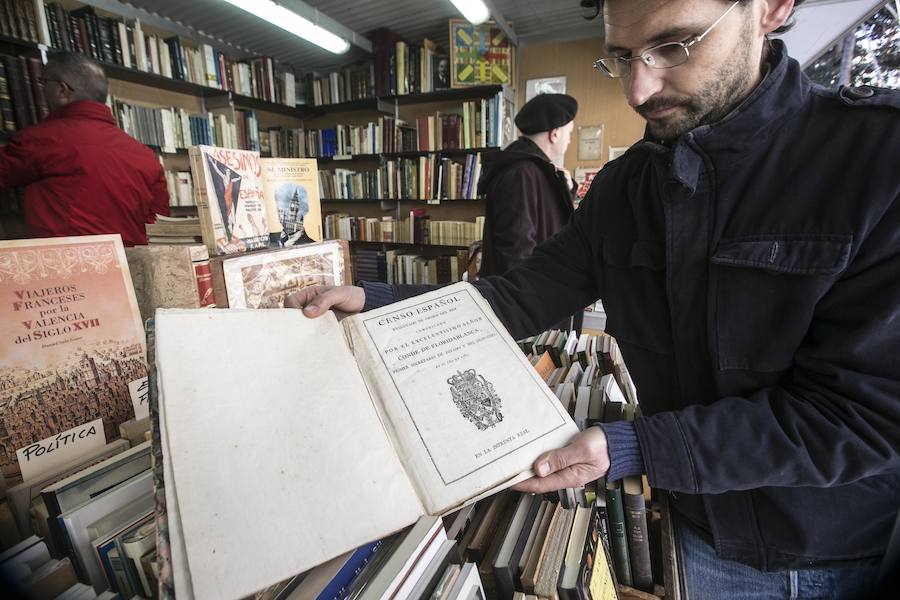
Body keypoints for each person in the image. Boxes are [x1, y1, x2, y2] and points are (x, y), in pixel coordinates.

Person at [286, 0, 900, 597]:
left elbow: (863, 417)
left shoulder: (875, 162)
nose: (638, 89)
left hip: (816, 549)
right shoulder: (627, 185)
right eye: (622, 57)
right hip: (689, 520)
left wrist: (635, 446)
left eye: (674, 45)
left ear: (769, 8)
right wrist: (377, 298)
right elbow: (522, 295)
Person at [0, 52, 169, 246]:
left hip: (68, 270)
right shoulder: (147, 156)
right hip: (130, 271)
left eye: (42, 82)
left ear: (62, 90)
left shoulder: (41, 140)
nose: (41, 89)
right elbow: (160, 225)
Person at [477, 92, 577, 277]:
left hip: (537, 290)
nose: (569, 140)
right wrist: (534, 300)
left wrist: (567, 189)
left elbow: (549, 224)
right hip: (525, 296)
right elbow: (517, 248)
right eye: (569, 133)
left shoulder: (534, 170)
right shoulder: (521, 173)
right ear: (554, 134)